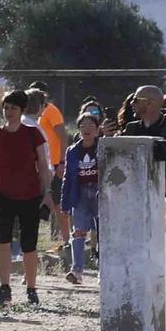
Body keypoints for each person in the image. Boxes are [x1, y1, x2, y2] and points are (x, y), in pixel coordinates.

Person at [0, 90, 57, 307]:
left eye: (13, 108)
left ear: (21, 110)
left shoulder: (33, 134)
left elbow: (43, 164)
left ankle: (31, 289)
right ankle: (4, 287)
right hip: (2, 194)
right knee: (2, 240)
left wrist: (47, 193)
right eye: (6, 107)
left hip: (30, 195)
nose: (8, 111)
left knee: (29, 243)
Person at [60, 112, 102, 285]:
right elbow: (67, 178)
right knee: (78, 232)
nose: (87, 129)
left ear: (97, 130)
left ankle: (103, 271)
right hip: (80, 194)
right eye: (83, 126)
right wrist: (65, 203)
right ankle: (77, 271)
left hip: (100, 193)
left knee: (102, 234)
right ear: (78, 130)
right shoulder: (72, 151)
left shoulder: (103, 147)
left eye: (91, 126)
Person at [27, 85, 68, 244]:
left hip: (55, 164)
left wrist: (62, 162)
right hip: (42, 165)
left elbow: (63, 136)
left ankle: (66, 241)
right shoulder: (30, 119)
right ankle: (55, 238)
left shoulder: (50, 110)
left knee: (58, 204)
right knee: (48, 203)